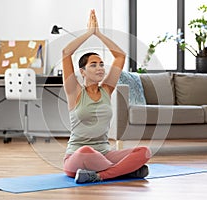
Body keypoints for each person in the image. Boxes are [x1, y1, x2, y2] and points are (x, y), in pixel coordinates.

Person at [62, 9, 151, 184]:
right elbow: (66, 53)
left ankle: (100, 175)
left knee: (144, 152)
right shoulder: (75, 91)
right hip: (77, 156)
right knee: (86, 152)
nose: (100, 68)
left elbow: (120, 56)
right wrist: (89, 33)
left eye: (101, 64)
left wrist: (99, 34)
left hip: (105, 153)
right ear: (83, 72)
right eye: (93, 65)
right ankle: (124, 170)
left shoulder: (107, 89)